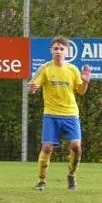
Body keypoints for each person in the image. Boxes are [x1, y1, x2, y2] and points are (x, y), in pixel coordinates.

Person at [28, 36, 91, 191]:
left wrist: (86, 81)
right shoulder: (45, 68)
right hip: (51, 114)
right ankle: (42, 181)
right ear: (51, 50)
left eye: (61, 49)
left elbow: (81, 92)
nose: (58, 51)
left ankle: (71, 175)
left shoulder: (73, 70)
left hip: (70, 114)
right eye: (56, 48)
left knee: (76, 146)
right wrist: (32, 89)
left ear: (66, 51)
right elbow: (33, 85)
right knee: (47, 147)